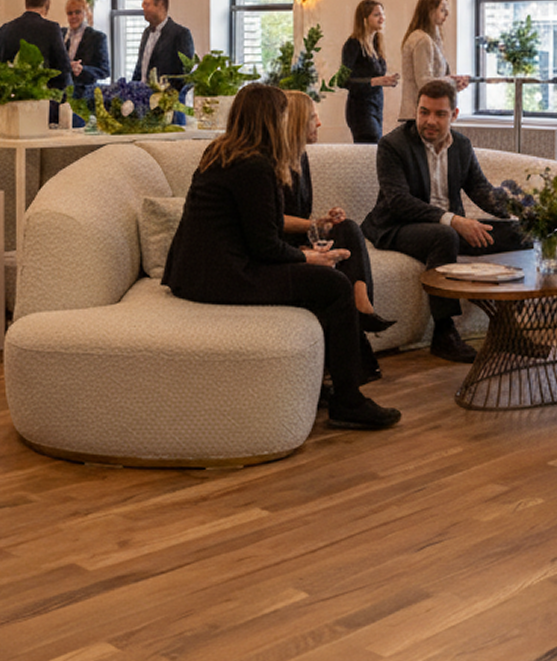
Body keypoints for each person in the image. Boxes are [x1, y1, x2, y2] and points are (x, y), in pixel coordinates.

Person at [163, 84, 401, 430]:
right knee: (334, 285)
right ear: (272, 119)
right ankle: (348, 400)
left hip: (194, 273)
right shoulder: (255, 165)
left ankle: (325, 380)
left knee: (324, 276)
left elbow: (258, 237)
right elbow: (266, 247)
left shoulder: (221, 152)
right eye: (284, 113)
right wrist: (309, 259)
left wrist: (303, 255)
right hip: (226, 278)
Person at [363, 78, 526, 363]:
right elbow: (398, 201)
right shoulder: (393, 145)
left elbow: (481, 190)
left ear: (454, 115)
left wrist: (524, 212)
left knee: (521, 234)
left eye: (439, 114)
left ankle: (508, 328)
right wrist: (454, 221)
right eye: (424, 111)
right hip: (396, 226)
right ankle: (444, 333)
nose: (430, 120)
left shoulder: (461, 145)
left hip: (447, 225)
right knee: (445, 236)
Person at [282, 91, 394, 385]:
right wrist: (313, 225)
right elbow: (271, 221)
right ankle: (362, 319)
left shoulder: (301, 158)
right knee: (339, 256)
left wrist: (323, 221)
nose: (319, 123)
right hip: (280, 248)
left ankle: (362, 301)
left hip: (297, 238)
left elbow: (300, 215)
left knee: (348, 228)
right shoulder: (270, 164)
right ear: (295, 122)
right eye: (312, 118)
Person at [398, 0, 469, 121]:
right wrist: (452, 81)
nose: (446, 15)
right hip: (417, 114)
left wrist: (452, 82)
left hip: (425, 113)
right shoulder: (422, 39)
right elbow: (424, 81)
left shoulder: (431, 39)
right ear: (430, 11)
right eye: (442, 10)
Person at [341, 0, 399, 144]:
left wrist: (386, 80)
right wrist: (374, 81)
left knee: (376, 148)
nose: (382, 18)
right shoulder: (353, 44)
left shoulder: (376, 43)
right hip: (360, 108)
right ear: (364, 19)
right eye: (376, 15)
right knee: (370, 146)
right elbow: (342, 80)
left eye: (382, 14)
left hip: (376, 105)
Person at [0, 0, 72, 91]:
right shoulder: (51, 28)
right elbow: (62, 67)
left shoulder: (5, 28)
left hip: (12, 95)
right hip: (41, 95)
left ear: (26, 2)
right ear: (47, 3)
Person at [131, 0, 194, 90]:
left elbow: (184, 75)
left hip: (165, 99)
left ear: (160, 5)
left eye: (147, 5)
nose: (143, 8)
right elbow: (141, 66)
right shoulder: (147, 32)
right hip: (141, 96)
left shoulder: (180, 34)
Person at [62, 0, 110, 100]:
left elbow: (105, 71)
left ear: (85, 13)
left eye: (77, 12)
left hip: (85, 95)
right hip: (61, 93)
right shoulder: (61, 35)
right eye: (70, 13)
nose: (73, 16)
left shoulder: (97, 37)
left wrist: (83, 69)